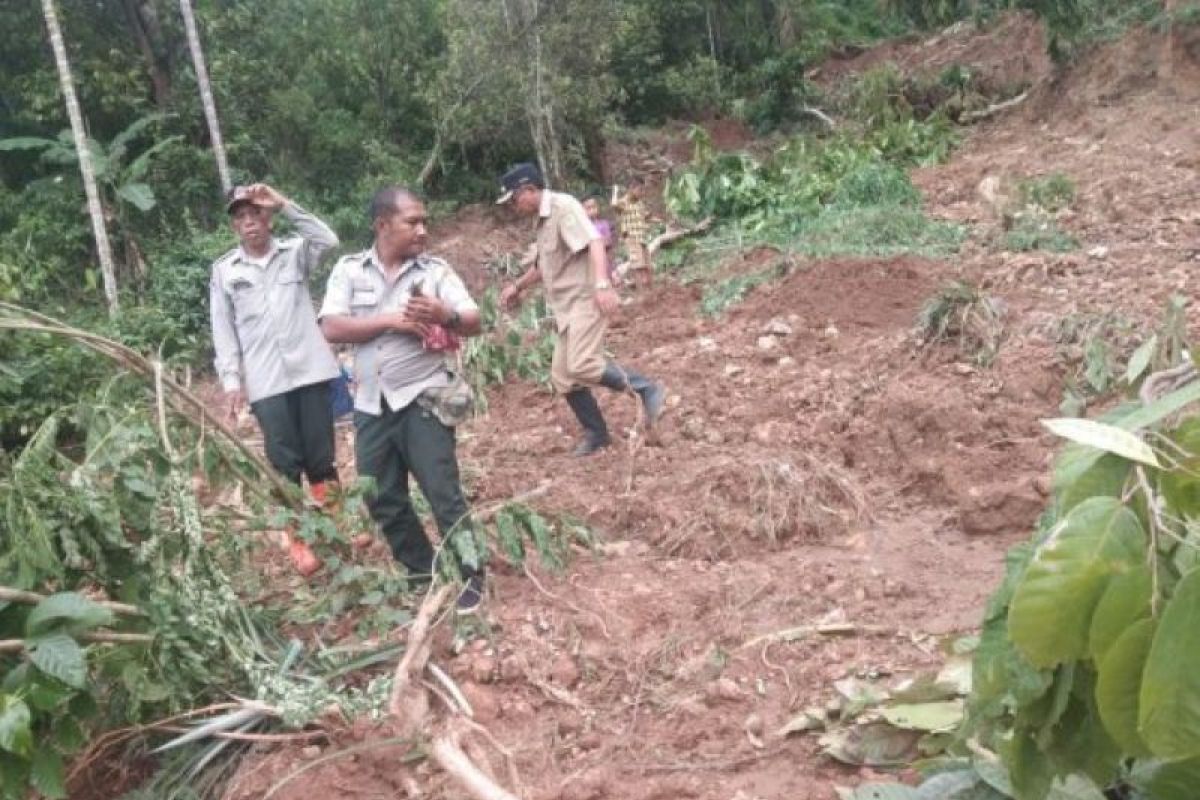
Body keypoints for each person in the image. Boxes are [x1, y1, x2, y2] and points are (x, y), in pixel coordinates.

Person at [319, 186, 485, 613]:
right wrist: (392, 320)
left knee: (441, 490)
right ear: (382, 225)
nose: (422, 230)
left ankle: (471, 574)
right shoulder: (349, 270)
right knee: (381, 495)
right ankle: (421, 570)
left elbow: (472, 320)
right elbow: (332, 327)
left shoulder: (434, 272)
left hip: (423, 397)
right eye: (412, 222)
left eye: (424, 221)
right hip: (370, 404)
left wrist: (442, 315)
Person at [210, 183, 341, 576]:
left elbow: (328, 239)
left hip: (311, 371)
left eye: (255, 214)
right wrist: (232, 381)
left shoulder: (295, 254)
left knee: (321, 457)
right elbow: (223, 330)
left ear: (267, 218)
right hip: (266, 382)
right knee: (284, 464)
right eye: (241, 217)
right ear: (234, 226)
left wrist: (284, 202)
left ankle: (339, 527)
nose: (249, 223)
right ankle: (299, 541)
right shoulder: (225, 272)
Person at [497, 163, 665, 456]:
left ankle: (644, 389)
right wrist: (518, 286)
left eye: (513, 198)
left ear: (529, 190)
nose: (512, 206)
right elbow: (545, 266)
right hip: (566, 306)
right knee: (563, 376)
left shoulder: (563, 207)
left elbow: (595, 242)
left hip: (585, 298)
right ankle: (598, 434)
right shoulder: (541, 220)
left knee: (582, 364)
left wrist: (602, 285)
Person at [612, 180, 653, 289]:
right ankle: (642, 293)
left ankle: (651, 290)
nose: (642, 193)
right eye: (640, 190)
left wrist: (653, 219)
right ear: (632, 189)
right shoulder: (624, 202)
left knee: (647, 265)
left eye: (643, 190)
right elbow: (614, 205)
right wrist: (615, 191)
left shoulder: (640, 203)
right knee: (638, 265)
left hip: (642, 237)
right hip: (632, 237)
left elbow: (645, 217)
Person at [581, 192, 618, 286]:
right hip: (589, 266)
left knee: (609, 285)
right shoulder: (582, 228)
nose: (592, 210)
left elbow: (608, 242)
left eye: (594, 207)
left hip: (606, 263)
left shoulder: (604, 224)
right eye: (588, 208)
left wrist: (613, 268)